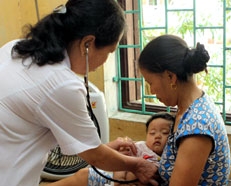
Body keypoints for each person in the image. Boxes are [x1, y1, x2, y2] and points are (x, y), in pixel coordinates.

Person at [0, 1, 158, 186]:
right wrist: (138, 166)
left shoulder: (16, 47)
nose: (105, 61)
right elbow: (96, 158)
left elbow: (84, 147)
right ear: (87, 43)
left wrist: (103, 149)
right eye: (109, 52)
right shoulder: (62, 85)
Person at [137, 34, 231, 186]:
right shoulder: (189, 107)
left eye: (150, 83)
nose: (152, 91)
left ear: (170, 77)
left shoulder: (197, 126)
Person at [47, 112, 174, 186]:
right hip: (112, 179)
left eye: (164, 132)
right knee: (83, 174)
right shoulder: (140, 146)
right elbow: (103, 155)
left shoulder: (172, 156)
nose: (157, 136)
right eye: (152, 133)